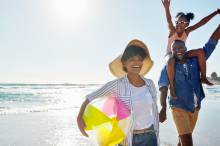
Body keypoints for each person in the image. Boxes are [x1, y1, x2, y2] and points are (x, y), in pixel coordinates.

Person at [77, 39, 159, 146]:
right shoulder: (117, 85)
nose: (136, 63)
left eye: (139, 59)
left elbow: (154, 110)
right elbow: (90, 97)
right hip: (127, 139)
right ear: (124, 63)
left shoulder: (150, 84)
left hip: (150, 136)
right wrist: (79, 117)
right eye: (132, 59)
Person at [158, 24, 220, 146]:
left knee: (182, 141)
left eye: (180, 47)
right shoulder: (168, 67)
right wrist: (164, 108)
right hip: (178, 106)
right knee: (187, 142)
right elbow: (164, 88)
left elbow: (212, 42)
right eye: (174, 49)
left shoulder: (196, 60)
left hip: (195, 107)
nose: (177, 50)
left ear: (186, 48)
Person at [161, 0, 220, 98]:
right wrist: (166, 8)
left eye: (182, 22)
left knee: (200, 52)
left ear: (187, 24)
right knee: (171, 60)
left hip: (182, 53)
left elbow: (202, 23)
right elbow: (168, 19)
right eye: (177, 22)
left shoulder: (187, 31)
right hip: (170, 54)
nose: (179, 24)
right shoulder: (172, 31)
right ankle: (171, 87)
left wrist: (215, 12)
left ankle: (203, 77)